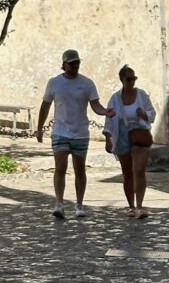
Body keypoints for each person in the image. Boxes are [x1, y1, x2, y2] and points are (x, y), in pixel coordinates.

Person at [35, 48, 114, 219]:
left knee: (80, 170)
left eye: (77, 63)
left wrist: (106, 112)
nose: (75, 66)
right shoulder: (54, 83)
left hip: (80, 133)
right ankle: (59, 203)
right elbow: (45, 105)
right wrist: (39, 128)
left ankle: (79, 204)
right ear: (64, 65)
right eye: (71, 63)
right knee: (60, 168)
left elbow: (95, 105)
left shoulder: (87, 83)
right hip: (60, 132)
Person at [103, 64, 157, 218]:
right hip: (122, 136)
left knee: (139, 170)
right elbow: (109, 117)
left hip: (139, 134)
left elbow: (152, 112)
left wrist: (144, 114)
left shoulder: (141, 95)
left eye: (134, 78)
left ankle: (140, 206)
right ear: (122, 80)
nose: (132, 82)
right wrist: (108, 137)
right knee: (127, 173)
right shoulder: (115, 98)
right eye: (129, 79)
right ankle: (131, 207)